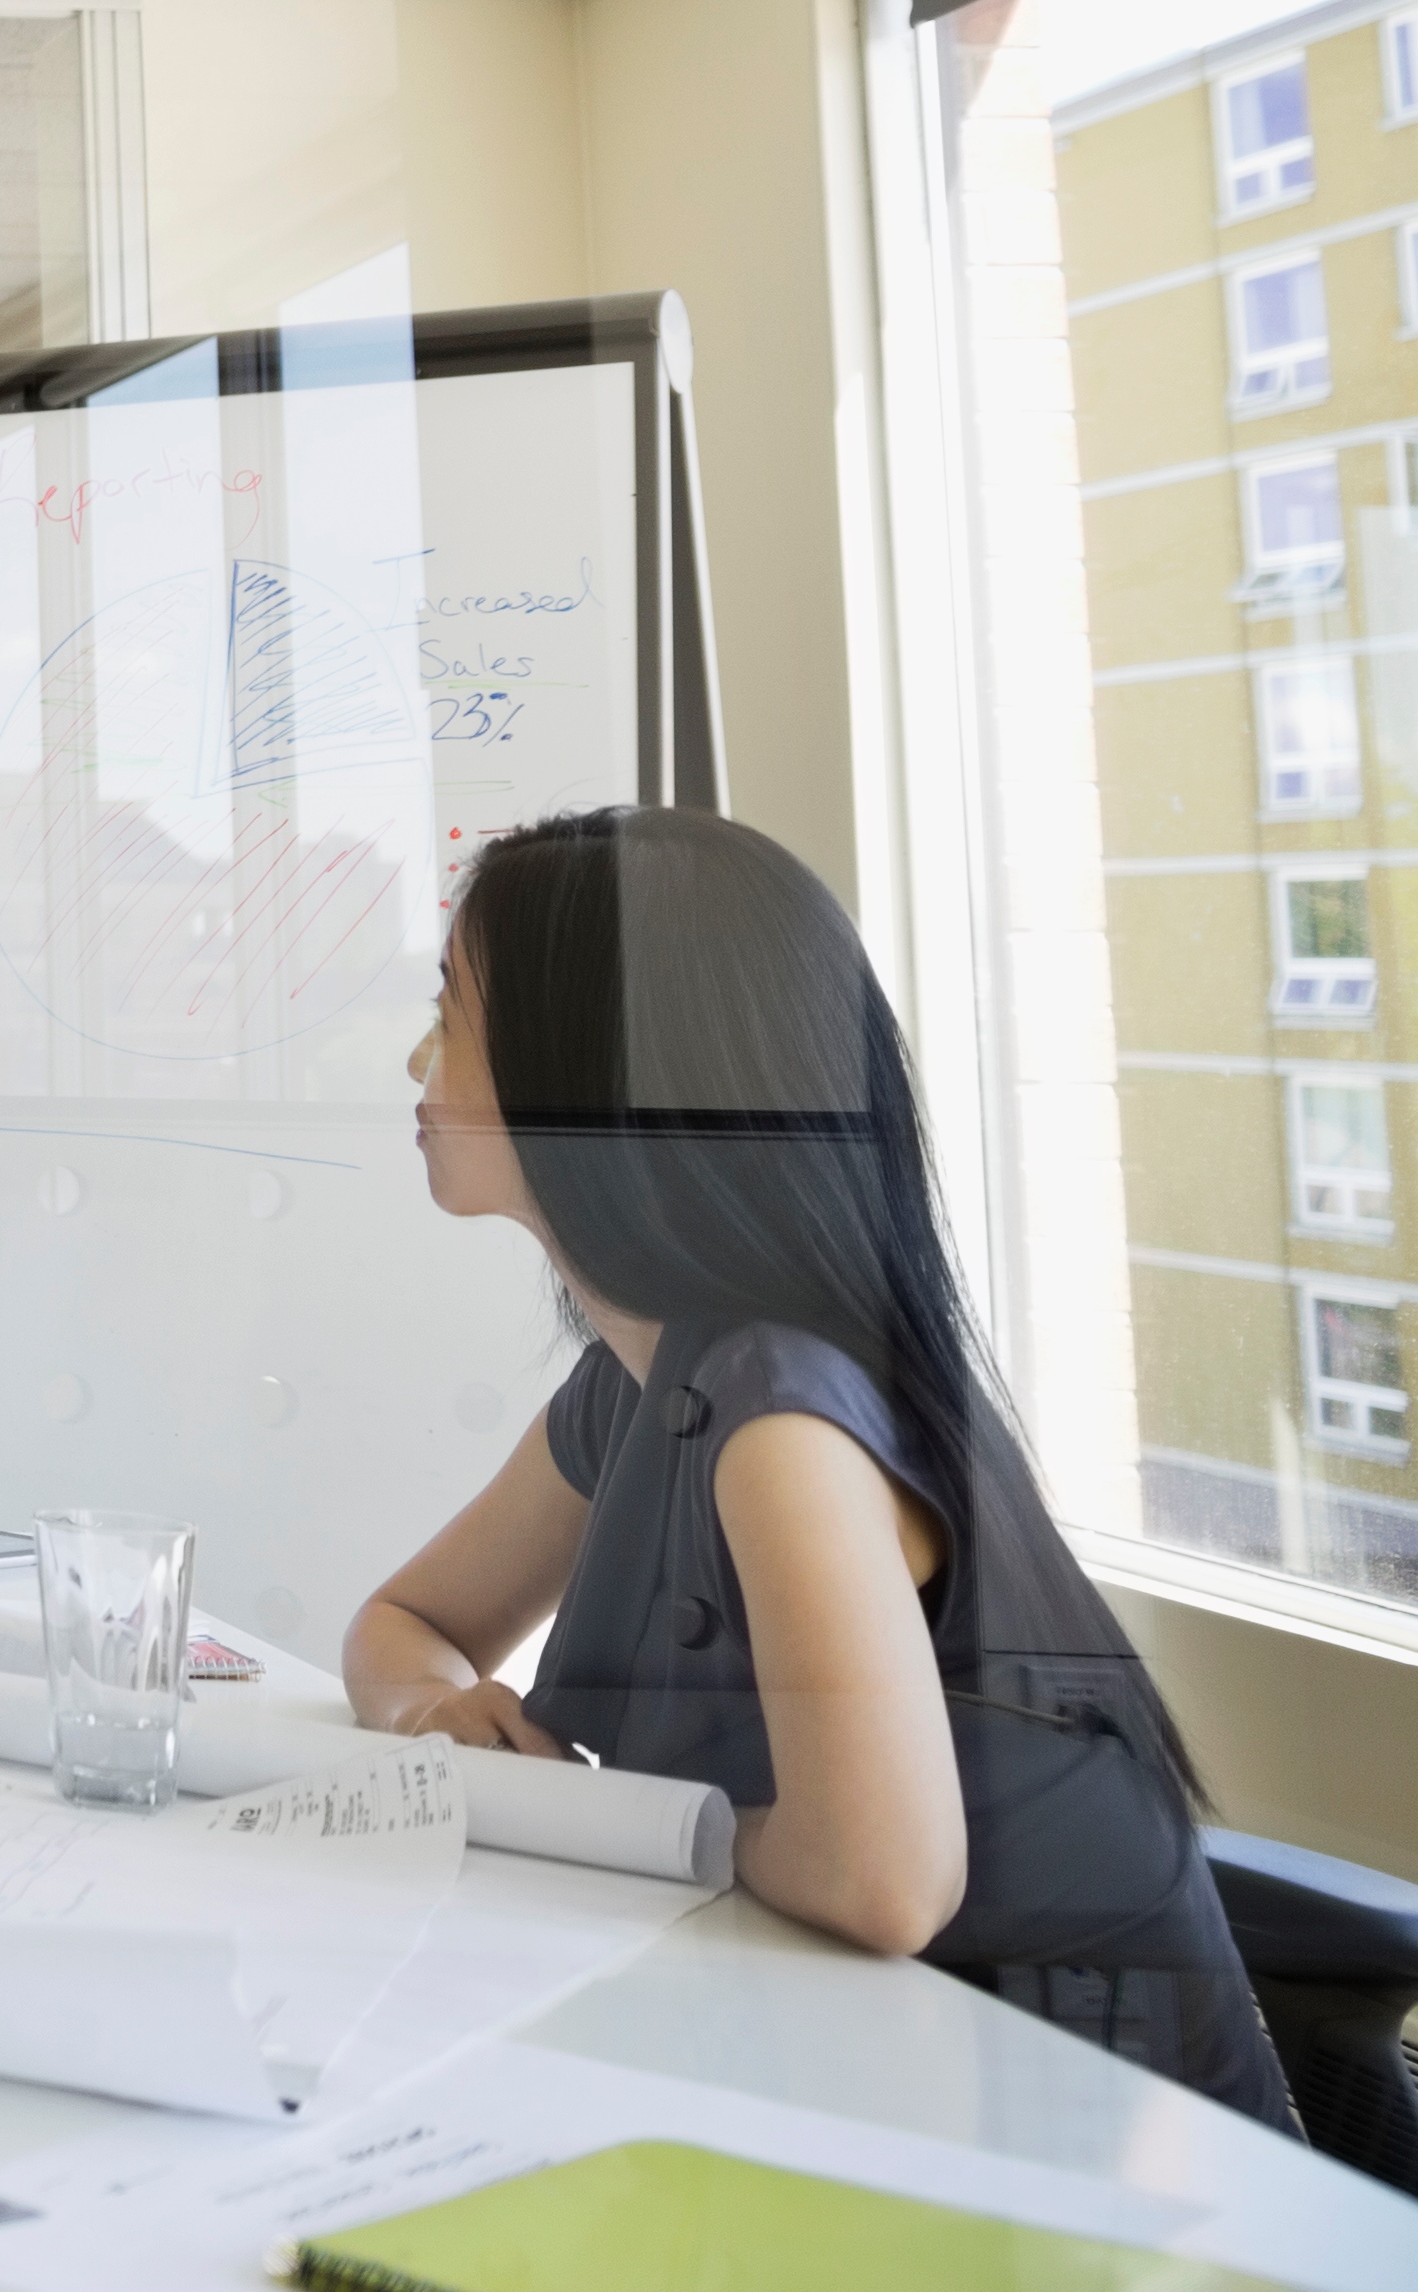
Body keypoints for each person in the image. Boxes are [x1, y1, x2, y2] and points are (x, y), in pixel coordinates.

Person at [344, 805, 1292, 2125]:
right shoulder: (640, 1381)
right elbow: (405, 1625)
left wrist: (607, 1832)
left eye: (448, 1011)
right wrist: (427, 1710)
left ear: (593, 1075)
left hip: (1077, 2168)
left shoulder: (781, 1422)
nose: (413, 1060)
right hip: (859, 2082)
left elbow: (878, 1882)